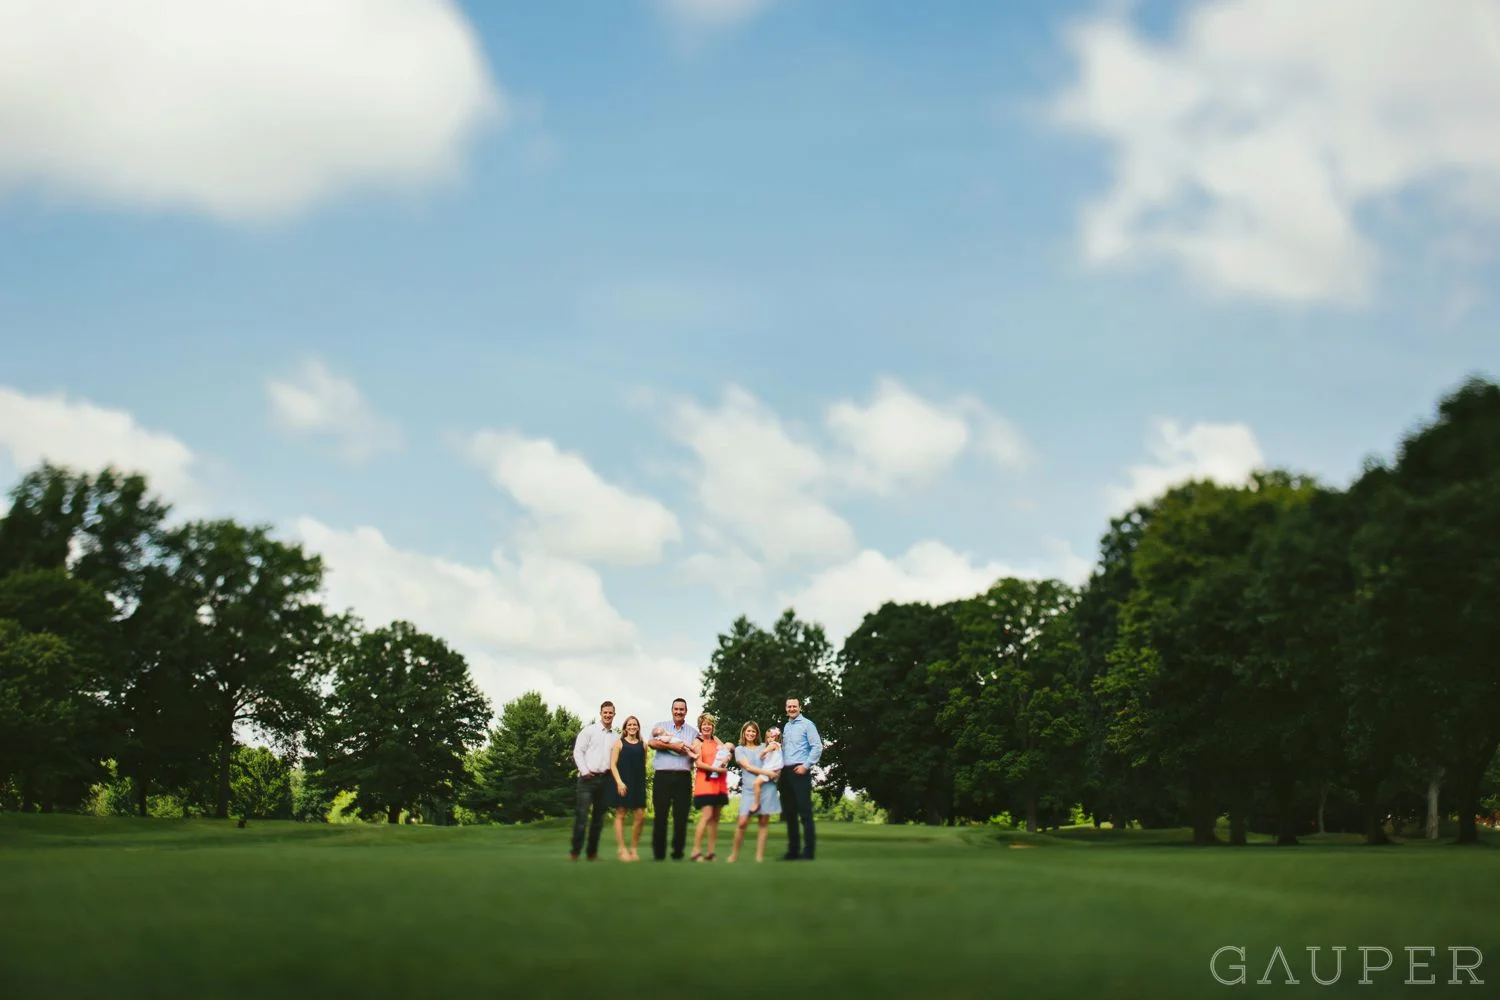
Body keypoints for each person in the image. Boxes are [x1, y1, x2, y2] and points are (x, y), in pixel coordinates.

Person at [647, 697, 698, 861]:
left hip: (683, 778)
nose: (678, 712)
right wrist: (672, 746)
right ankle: (658, 854)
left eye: (681, 709)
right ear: (672, 710)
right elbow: (651, 743)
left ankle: (677, 853)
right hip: (662, 777)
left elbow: (697, 752)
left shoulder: (693, 732)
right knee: (660, 816)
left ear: (686, 711)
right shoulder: (660, 727)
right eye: (676, 709)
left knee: (681, 817)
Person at [726, 721, 781, 863]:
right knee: (742, 823)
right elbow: (748, 767)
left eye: (753, 731)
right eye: (748, 731)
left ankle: (759, 857)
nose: (751, 734)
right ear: (744, 732)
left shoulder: (764, 746)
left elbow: (777, 757)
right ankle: (734, 855)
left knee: (763, 823)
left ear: (757, 733)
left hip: (767, 788)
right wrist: (767, 773)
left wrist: (777, 772)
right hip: (749, 790)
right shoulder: (740, 749)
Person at [570, 700, 617, 861]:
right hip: (587, 780)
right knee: (582, 816)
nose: (608, 715)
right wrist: (585, 771)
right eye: (605, 712)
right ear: (601, 713)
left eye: (610, 713)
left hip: (605, 780)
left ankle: (592, 853)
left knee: (598, 819)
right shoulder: (589, 731)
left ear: (614, 714)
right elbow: (578, 752)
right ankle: (575, 852)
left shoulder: (616, 737)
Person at [778, 696, 822, 861]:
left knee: (805, 812)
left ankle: (809, 852)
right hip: (786, 772)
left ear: (800, 707)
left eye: (794, 706)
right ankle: (793, 851)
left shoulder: (807, 724)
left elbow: (817, 747)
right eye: (789, 706)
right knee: (789, 813)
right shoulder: (786, 727)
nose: (792, 709)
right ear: (786, 709)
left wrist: (806, 765)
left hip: (800, 770)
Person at [689, 713, 731, 861]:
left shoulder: (715, 739)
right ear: (700, 726)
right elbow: (698, 763)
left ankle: (711, 853)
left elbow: (726, 752)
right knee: (706, 816)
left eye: (709, 724)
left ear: (713, 726)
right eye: (704, 724)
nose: (707, 727)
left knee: (715, 819)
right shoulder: (697, 741)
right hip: (705, 783)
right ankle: (695, 851)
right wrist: (717, 769)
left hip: (719, 783)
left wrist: (727, 759)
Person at [608, 715, 648, 861]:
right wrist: (619, 782)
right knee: (621, 814)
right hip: (622, 783)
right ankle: (621, 849)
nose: (632, 727)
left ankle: (633, 849)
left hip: (638, 784)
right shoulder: (619, 743)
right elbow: (612, 765)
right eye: (629, 725)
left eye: (634, 724)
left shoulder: (643, 745)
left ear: (638, 727)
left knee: (640, 816)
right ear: (625, 728)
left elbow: (643, 763)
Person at [748, 727, 782, 814]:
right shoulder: (777, 746)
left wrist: (761, 755)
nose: (770, 739)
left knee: (756, 783)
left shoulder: (773, 744)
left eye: (772, 737)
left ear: (777, 737)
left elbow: (763, 752)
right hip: (775, 769)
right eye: (768, 737)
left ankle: (756, 804)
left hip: (771, 769)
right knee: (765, 787)